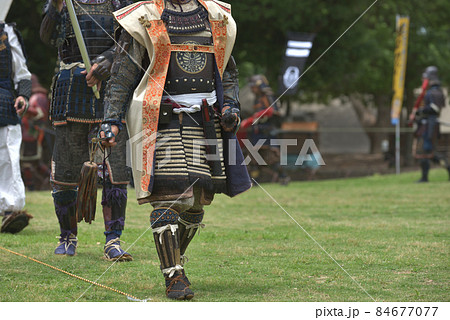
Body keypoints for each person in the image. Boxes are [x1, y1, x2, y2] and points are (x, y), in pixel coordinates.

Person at [101, 0, 251, 300]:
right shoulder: (145, 16)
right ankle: (173, 276)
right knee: (168, 197)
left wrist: (231, 105)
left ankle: (174, 259)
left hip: (205, 123)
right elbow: (122, 75)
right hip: (162, 120)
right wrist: (111, 119)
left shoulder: (217, 16)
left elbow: (228, 73)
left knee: (196, 203)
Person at [40, 0, 134, 259]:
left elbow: (133, 39)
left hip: (113, 90)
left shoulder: (120, 2)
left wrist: (109, 60)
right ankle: (67, 235)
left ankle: (113, 240)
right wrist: (56, 7)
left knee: (115, 169)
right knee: (67, 170)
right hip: (70, 91)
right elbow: (48, 37)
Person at [0, 18, 33, 234]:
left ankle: (11, 212)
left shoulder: (7, 32)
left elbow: (21, 72)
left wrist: (23, 94)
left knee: (7, 155)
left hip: (4, 101)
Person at [241, 74, 289, 184]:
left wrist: (252, 119)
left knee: (271, 158)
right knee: (254, 158)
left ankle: (283, 177)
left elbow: (271, 111)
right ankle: (255, 181)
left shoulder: (268, 96)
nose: (252, 89)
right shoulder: (257, 98)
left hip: (267, 132)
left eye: (254, 86)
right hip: (257, 132)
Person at [413, 66, 450, 182]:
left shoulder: (435, 92)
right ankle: (424, 177)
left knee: (428, 151)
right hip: (425, 124)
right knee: (424, 151)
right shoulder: (430, 91)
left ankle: (447, 168)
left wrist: (421, 111)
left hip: (430, 125)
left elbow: (435, 109)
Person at [20, 74, 51, 191]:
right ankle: (51, 179)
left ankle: (32, 187)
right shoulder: (36, 96)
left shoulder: (38, 97)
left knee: (28, 162)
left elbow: (40, 113)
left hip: (32, 133)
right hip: (29, 132)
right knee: (36, 163)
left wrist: (24, 107)